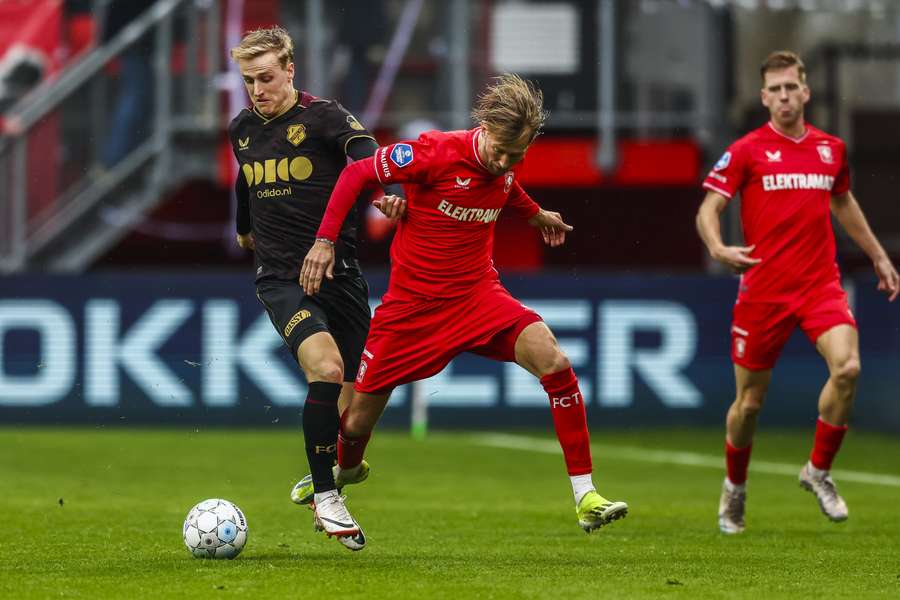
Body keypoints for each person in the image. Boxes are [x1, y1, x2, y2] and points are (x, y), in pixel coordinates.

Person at [300, 74, 629, 539]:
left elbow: (505, 187)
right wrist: (325, 240)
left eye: (517, 156)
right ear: (486, 131)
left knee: (554, 360)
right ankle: (345, 474)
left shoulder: (505, 162)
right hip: (411, 309)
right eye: (502, 151)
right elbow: (357, 173)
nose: (506, 162)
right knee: (353, 424)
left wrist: (535, 214)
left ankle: (585, 495)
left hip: (478, 296)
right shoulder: (435, 152)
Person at [696, 51, 899, 534]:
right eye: (776, 90)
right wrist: (718, 245)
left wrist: (877, 255)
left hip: (819, 286)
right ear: (765, 97)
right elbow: (709, 208)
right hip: (763, 291)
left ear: (805, 92)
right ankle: (735, 488)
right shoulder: (747, 150)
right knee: (749, 404)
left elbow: (843, 201)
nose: (785, 96)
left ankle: (818, 471)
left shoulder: (831, 149)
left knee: (848, 368)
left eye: (792, 87)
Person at [227, 26, 403, 552]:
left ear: (290, 71)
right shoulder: (241, 129)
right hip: (281, 278)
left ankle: (326, 479)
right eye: (248, 80)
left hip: (341, 276)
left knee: (354, 411)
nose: (257, 90)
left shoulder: (325, 116)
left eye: (266, 78)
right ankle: (328, 497)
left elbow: (367, 152)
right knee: (324, 369)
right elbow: (244, 178)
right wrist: (244, 227)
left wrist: (387, 192)